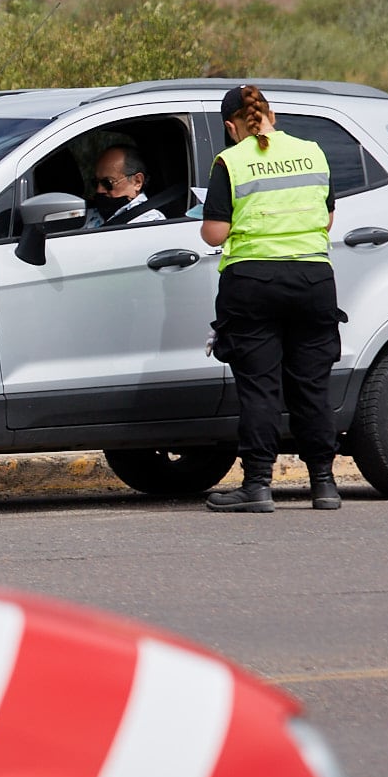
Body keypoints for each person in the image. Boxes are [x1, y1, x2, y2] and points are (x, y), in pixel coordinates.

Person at [201, 84, 343, 512]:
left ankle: (258, 486)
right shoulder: (313, 152)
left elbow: (215, 232)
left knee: (261, 387)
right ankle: (324, 484)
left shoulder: (232, 161)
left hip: (254, 285)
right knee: (311, 386)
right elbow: (329, 217)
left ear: (232, 126)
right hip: (314, 282)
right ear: (271, 115)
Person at [84, 144, 167, 228]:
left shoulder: (151, 222)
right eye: (95, 182)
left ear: (137, 182)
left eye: (107, 183)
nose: (99, 190)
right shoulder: (87, 214)